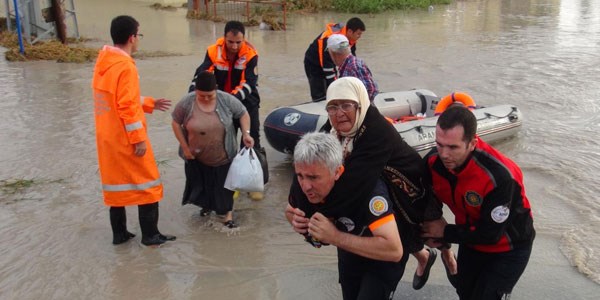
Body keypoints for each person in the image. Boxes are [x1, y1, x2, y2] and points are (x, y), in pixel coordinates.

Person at [290, 77, 456, 290]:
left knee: (428, 231)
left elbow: (352, 187)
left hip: (410, 189)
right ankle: (424, 256)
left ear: (360, 104)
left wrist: (319, 222)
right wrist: (300, 209)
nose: (339, 113)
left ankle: (446, 256)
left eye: (346, 105)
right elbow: (303, 169)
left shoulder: (376, 130)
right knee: (390, 229)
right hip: (382, 188)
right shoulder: (333, 128)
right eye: (332, 106)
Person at [421, 105, 536, 299]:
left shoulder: (499, 177)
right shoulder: (433, 162)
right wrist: (433, 222)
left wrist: (445, 232)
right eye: (439, 144)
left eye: (453, 147)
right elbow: (423, 197)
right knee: (465, 293)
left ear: (472, 143)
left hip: (508, 247)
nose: (444, 154)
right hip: (471, 241)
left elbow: (490, 234)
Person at [286, 132, 407, 300]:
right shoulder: (303, 183)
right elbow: (289, 210)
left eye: (314, 177)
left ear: (337, 172)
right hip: (349, 252)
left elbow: (394, 250)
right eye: (300, 176)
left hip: (383, 255)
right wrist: (296, 220)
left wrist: (335, 236)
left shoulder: (368, 190)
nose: (306, 186)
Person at [92, 15, 175, 247]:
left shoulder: (103, 62)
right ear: (132, 37)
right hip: (125, 139)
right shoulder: (125, 66)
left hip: (107, 138)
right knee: (148, 185)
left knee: (116, 187)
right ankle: (150, 236)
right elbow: (126, 105)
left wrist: (149, 103)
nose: (139, 40)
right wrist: (138, 140)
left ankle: (119, 235)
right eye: (139, 35)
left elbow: (116, 98)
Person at [187, 21, 265, 200]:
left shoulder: (250, 54)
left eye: (238, 42)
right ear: (225, 38)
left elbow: (249, 83)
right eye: (231, 42)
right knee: (225, 144)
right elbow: (202, 74)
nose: (234, 46)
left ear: (243, 39)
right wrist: (193, 95)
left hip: (246, 103)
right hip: (222, 104)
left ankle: (256, 182)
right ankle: (232, 182)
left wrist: (230, 101)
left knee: (252, 139)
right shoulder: (213, 51)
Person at [172, 71, 254, 229]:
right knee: (202, 185)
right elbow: (176, 122)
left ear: (215, 90)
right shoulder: (187, 102)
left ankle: (227, 215)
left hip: (222, 154)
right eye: (202, 96)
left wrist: (246, 134)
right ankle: (207, 207)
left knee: (224, 187)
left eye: (210, 95)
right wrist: (184, 146)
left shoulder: (226, 99)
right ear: (196, 91)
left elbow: (243, 113)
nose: (206, 98)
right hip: (196, 155)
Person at [304, 17, 366, 101]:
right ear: (350, 31)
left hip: (331, 59)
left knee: (336, 82)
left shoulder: (351, 38)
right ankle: (320, 102)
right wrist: (336, 87)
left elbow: (351, 60)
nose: (360, 37)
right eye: (358, 34)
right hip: (314, 62)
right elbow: (327, 67)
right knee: (319, 88)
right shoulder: (329, 40)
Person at [326, 34, 379, 102]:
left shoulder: (354, 67)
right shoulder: (347, 65)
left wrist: (356, 108)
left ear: (333, 54)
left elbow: (371, 90)